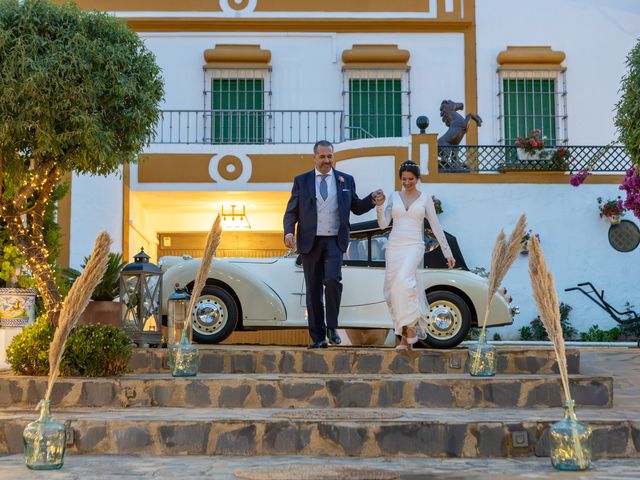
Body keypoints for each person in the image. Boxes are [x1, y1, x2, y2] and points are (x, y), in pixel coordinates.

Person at [284, 140, 384, 349]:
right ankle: (318, 337)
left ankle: (332, 327)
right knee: (312, 291)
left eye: (329, 156)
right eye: (322, 156)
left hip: (334, 241)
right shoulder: (301, 181)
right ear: (314, 158)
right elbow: (292, 211)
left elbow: (356, 207)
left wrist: (372, 199)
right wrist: (288, 232)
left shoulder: (345, 180)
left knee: (332, 281)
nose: (326, 160)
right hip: (310, 243)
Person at [375, 160, 455, 350]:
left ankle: (410, 330)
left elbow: (436, 226)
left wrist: (447, 252)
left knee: (404, 282)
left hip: (414, 246)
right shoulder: (393, 197)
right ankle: (405, 335)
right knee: (393, 291)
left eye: (411, 179)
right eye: (404, 179)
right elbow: (383, 225)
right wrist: (379, 206)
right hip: (394, 246)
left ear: (417, 179)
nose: (407, 182)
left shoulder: (425, 198)